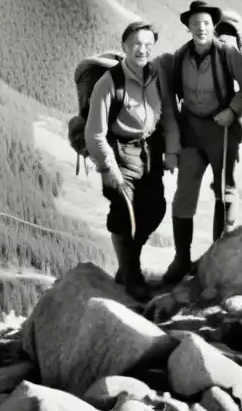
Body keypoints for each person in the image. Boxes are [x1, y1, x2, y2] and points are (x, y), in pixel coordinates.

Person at [158, 0, 242, 285]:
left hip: (220, 128)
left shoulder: (228, 53)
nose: (200, 28)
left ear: (213, 26)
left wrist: (232, 110)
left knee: (224, 189)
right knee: (184, 193)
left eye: (205, 23)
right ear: (188, 28)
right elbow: (172, 98)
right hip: (191, 131)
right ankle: (181, 258)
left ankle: (218, 253)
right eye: (195, 24)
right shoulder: (180, 56)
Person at [84, 20, 170, 302]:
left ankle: (127, 264)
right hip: (120, 152)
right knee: (125, 213)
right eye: (136, 44)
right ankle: (132, 277)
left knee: (155, 207)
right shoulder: (108, 83)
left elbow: (166, 115)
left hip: (149, 152)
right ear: (124, 47)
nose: (142, 49)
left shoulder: (155, 76)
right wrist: (107, 167)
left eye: (148, 44)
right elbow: (94, 131)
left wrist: (172, 150)